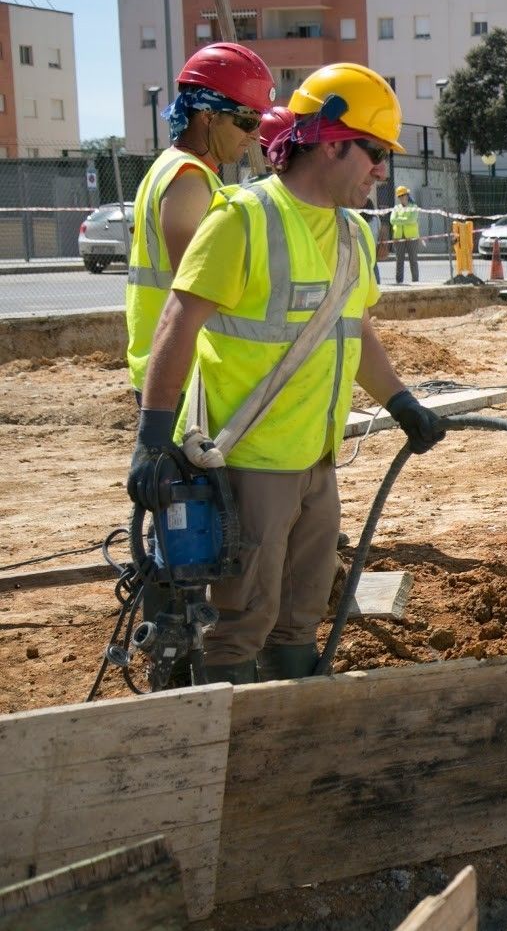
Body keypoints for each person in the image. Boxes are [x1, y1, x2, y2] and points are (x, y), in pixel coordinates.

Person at [125, 63, 447, 685]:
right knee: (237, 622)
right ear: (330, 141)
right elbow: (176, 325)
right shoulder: (243, 218)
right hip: (249, 462)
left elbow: (353, 331)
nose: (383, 169)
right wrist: (151, 437)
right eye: (375, 152)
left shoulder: (353, 233)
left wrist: (402, 401)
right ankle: (232, 752)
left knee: (302, 614)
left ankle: (293, 734)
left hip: (317, 460)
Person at [125, 42, 275, 402]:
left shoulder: (177, 169)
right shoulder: (189, 182)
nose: (255, 135)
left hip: (171, 367)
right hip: (180, 374)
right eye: (247, 121)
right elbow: (201, 289)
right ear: (208, 116)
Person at [390, 185, 421, 284]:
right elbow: (392, 220)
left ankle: (415, 281)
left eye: (403, 195)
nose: (402, 197)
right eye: (400, 196)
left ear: (407, 195)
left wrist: (399, 220)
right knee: (399, 261)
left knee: (413, 260)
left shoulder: (414, 207)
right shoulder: (396, 208)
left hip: (412, 237)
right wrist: (405, 220)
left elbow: (412, 220)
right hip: (398, 237)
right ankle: (399, 282)